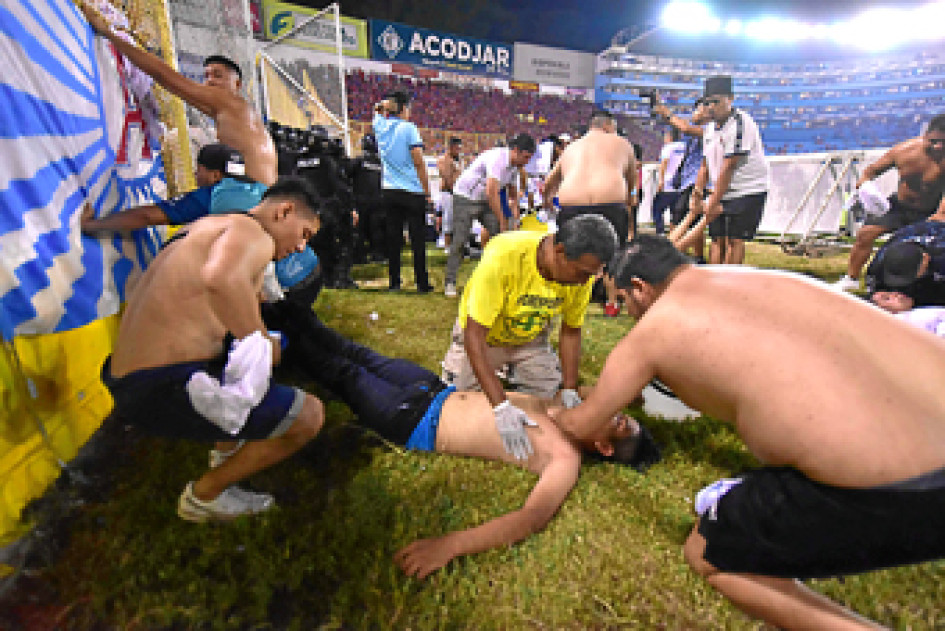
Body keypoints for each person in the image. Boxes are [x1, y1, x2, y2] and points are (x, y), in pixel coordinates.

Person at [553, 234, 945, 630]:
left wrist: (557, 415)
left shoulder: (654, 330)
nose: (625, 314)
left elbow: (585, 423)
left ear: (639, 288)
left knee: (709, 553)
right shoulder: (754, 276)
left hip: (910, 485)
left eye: (621, 302)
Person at [282, 316, 659, 579]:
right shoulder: (566, 409)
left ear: (605, 449)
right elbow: (602, 389)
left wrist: (451, 545)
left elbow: (531, 519)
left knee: (341, 370)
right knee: (354, 351)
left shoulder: (564, 457)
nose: (614, 410)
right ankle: (277, 307)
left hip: (412, 420)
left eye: (620, 421)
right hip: (433, 389)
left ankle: (263, 337)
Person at [100, 178, 326, 523]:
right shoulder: (254, 234)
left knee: (263, 347)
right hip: (158, 386)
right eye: (305, 234)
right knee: (308, 415)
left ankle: (226, 454)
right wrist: (261, 343)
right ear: (284, 211)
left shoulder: (205, 225)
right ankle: (205, 495)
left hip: (126, 375)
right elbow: (220, 277)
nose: (300, 247)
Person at [441, 214, 618, 461]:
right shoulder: (504, 256)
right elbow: (474, 335)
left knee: (550, 403)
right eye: (582, 273)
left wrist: (569, 387)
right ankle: (501, 373)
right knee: (454, 402)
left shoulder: (582, 274)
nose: (585, 281)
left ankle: (508, 371)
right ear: (559, 251)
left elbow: (571, 330)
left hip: (529, 341)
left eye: (591, 275)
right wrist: (501, 407)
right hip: (485, 339)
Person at [80, 5, 276, 189]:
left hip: (253, 200)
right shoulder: (244, 114)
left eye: (218, 76)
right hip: (263, 196)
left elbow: (166, 77)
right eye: (206, 76)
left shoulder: (227, 101)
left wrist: (109, 34)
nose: (210, 82)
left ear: (237, 84)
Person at [834, 114, 945, 292]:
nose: (938, 147)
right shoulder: (903, 151)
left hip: (932, 209)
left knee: (931, 250)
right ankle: (851, 278)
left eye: (944, 143)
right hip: (899, 206)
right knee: (865, 234)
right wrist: (864, 184)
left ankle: (926, 286)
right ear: (925, 135)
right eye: (934, 141)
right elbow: (871, 170)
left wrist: (940, 214)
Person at [542, 110, 637, 317]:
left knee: (569, 254)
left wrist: (547, 201)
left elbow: (549, 181)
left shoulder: (571, 148)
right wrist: (630, 199)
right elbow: (631, 180)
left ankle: (567, 300)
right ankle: (611, 303)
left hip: (572, 204)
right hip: (611, 202)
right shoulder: (622, 143)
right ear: (608, 126)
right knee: (614, 255)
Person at [675, 76, 769, 265]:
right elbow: (705, 164)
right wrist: (698, 193)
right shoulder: (710, 128)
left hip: (747, 189)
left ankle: (730, 280)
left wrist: (712, 202)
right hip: (722, 188)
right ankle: (714, 278)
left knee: (735, 240)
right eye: (708, 102)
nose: (711, 107)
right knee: (717, 238)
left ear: (730, 99)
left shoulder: (741, 123)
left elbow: (729, 166)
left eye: (716, 102)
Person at [445, 133, 537, 298]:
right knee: (460, 239)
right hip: (465, 197)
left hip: (484, 200)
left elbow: (512, 193)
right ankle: (450, 282)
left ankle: (503, 278)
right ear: (515, 150)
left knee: (506, 235)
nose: (527, 161)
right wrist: (502, 220)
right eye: (525, 157)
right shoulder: (498, 159)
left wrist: (513, 218)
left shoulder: (515, 166)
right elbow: (491, 192)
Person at [81, 143, 234, 234]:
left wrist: (93, 225)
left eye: (199, 170)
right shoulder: (255, 190)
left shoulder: (211, 197)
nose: (195, 174)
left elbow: (147, 216)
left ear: (215, 176)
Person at [373, 90, 433, 293]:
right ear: (403, 108)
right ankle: (421, 283)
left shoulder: (380, 126)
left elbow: (377, 109)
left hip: (390, 190)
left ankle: (394, 283)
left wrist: (385, 106)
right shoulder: (409, 128)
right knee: (417, 240)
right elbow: (418, 160)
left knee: (393, 239)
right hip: (413, 190)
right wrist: (427, 191)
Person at [654, 97, 713, 261]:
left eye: (697, 110)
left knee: (680, 221)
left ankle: (681, 257)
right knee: (688, 221)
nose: (693, 114)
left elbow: (685, 127)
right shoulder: (699, 132)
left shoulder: (710, 130)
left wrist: (667, 113)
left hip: (696, 182)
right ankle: (695, 257)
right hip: (688, 182)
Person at [865, 205, 945, 313]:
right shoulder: (878, 266)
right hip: (921, 229)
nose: (897, 294)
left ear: (926, 259)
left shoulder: (940, 261)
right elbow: (873, 298)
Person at [652, 128, 686, 235]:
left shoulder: (668, 147)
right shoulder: (685, 147)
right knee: (675, 212)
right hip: (681, 184)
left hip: (668, 184)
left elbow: (664, 163)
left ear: (669, 137)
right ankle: (675, 234)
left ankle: (660, 232)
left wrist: (661, 181)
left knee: (657, 209)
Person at [436, 137, 463, 251]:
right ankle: (447, 245)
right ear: (451, 147)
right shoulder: (444, 160)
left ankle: (454, 244)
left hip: (456, 193)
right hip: (448, 193)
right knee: (448, 219)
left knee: (456, 220)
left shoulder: (458, 160)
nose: (459, 150)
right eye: (457, 148)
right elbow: (447, 178)